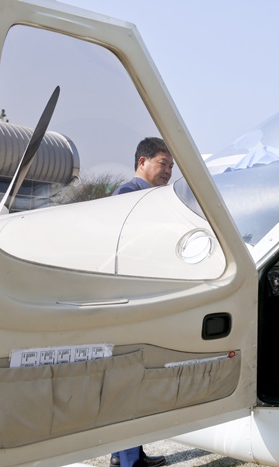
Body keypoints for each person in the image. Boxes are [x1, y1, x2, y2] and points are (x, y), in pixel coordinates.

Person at [109, 136, 171, 467]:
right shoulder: (128, 195)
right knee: (130, 379)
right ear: (142, 162)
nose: (168, 171)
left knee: (134, 378)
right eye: (163, 163)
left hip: (139, 297)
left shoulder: (150, 197)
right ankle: (128, 460)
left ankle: (126, 454)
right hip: (128, 300)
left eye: (171, 167)